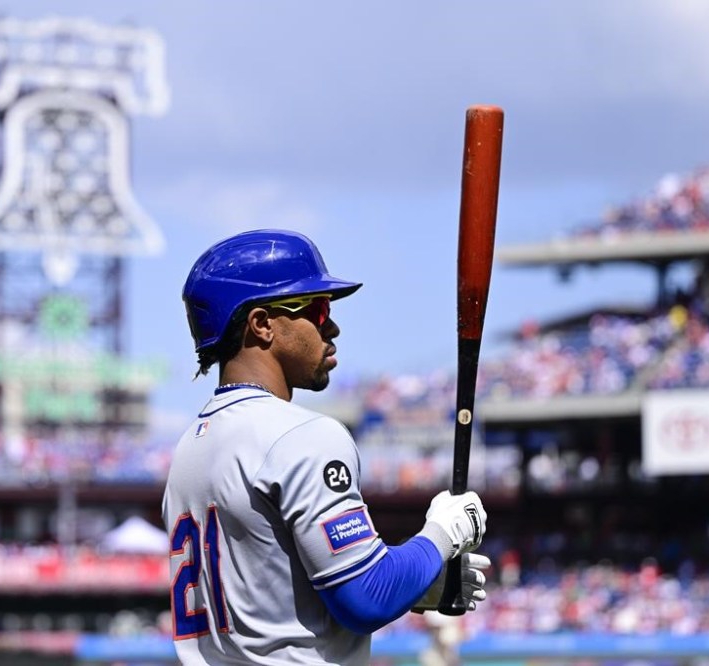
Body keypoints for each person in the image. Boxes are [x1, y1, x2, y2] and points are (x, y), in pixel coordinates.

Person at [163, 229, 490, 665]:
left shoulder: (189, 448)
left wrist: (416, 580)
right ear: (262, 325)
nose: (332, 326)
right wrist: (442, 534)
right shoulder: (301, 435)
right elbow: (367, 600)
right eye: (316, 309)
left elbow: (275, 588)